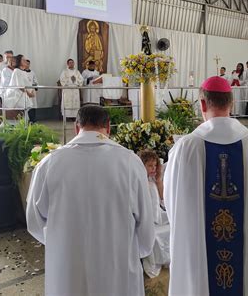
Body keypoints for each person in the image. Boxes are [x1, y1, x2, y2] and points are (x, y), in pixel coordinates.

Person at [164, 76, 248, 296]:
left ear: (202, 104)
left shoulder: (185, 148)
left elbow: (172, 202)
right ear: (231, 103)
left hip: (200, 257)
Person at [27, 105, 155, 296]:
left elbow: (34, 222)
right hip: (117, 267)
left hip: (68, 269)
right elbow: (145, 223)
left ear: (76, 128)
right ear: (109, 128)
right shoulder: (130, 162)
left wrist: (61, 243)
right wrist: (139, 252)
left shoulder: (49, 163)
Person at [138, 150, 170, 278]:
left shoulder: (153, 179)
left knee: (173, 226)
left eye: (155, 165)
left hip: (158, 214)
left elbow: (162, 199)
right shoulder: (139, 180)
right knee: (155, 236)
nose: (154, 168)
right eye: (150, 165)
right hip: (147, 218)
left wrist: (158, 181)